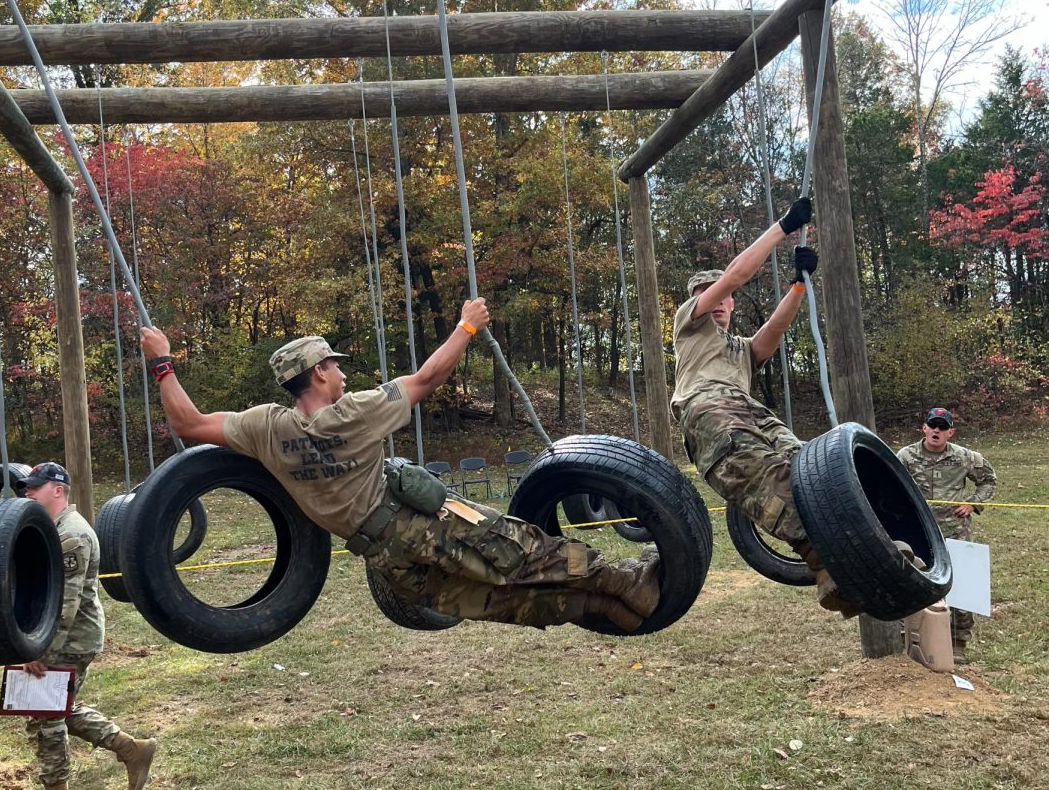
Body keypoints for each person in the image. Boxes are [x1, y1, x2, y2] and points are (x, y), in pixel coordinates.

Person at [139, 298, 660, 633]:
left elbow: (188, 424)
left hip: (384, 558)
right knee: (526, 550)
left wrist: (162, 361)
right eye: (335, 368)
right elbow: (429, 378)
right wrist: (466, 327)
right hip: (423, 525)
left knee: (498, 603)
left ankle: (614, 610)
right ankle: (624, 583)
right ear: (319, 373)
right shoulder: (354, 413)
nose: (342, 375)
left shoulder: (266, 428)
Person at [669, 196, 859, 617]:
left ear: (733, 306)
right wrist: (783, 226)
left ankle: (859, 546)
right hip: (707, 407)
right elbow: (736, 274)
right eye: (707, 292)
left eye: (721, 295)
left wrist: (799, 284)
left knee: (809, 465)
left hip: (747, 407)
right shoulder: (690, 322)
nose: (716, 299)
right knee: (761, 468)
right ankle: (826, 559)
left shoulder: (738, 349)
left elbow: (773, 330)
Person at [2, 462, 156, 790]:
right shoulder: (51, 530)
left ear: (58, 490)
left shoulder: (71, 535)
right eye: (25, 488)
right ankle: (131, 749)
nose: (27, 493)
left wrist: (40, 650)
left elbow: (66, 603)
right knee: (58, 710)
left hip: (69, 638)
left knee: (47, 716)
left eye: (34, 487)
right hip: (59, 635)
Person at [897, 408, 997, 664]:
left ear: (950, 432)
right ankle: (907, 638)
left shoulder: (965, 457)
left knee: (961, 587)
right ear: (924, 428)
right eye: (933, 425)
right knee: (912, 582)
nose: (937, 431)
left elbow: (988, 480)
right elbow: (891, 484)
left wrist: (974, 504)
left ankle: (957, 643)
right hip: (916, 532)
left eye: (943, 427)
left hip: (954, 531)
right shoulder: (905, 456)